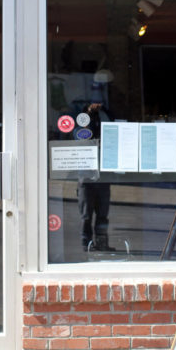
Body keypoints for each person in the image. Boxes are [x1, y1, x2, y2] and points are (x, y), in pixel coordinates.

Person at [77, 102, 115, 252]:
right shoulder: (83, 120)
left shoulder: (106, 117)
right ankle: (86, 243)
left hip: (103, 175)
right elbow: (83, 128)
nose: (96, 105)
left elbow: (113, 120)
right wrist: (88, 111)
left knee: (103, 213)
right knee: (86, 215)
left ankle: (101, 242)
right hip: (86, 175)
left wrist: (103, 109)